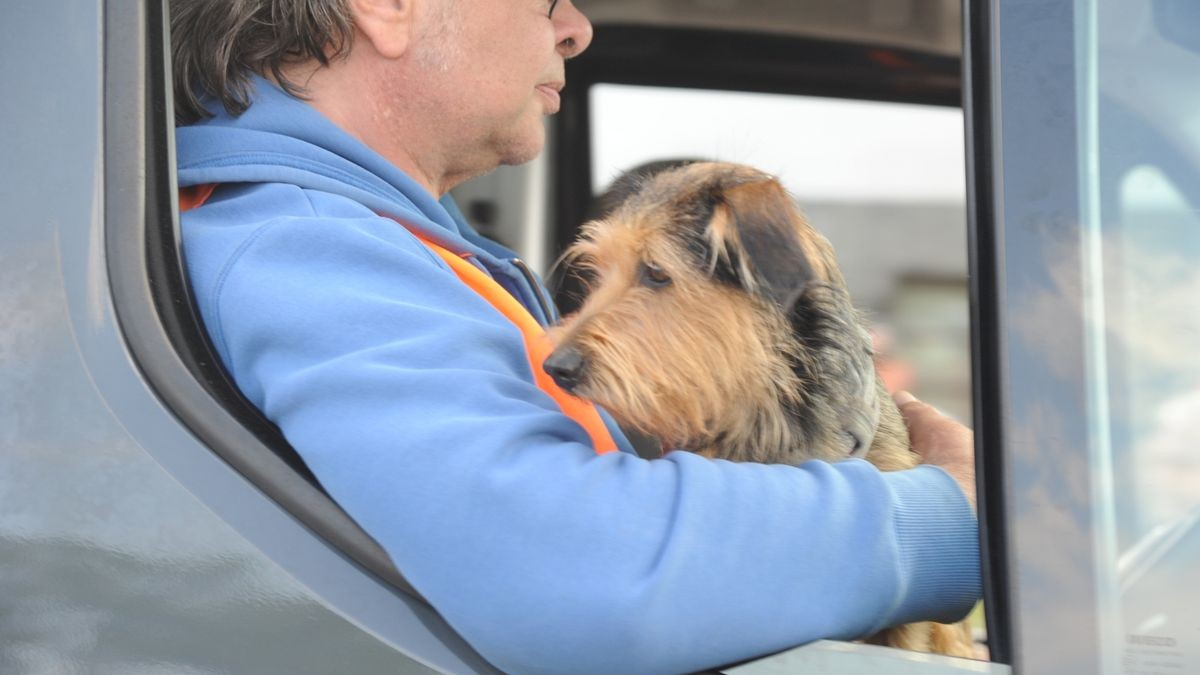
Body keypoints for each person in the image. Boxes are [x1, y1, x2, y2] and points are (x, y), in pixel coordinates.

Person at [170, 0, 981, 672]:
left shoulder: (377, 243)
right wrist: (948, 515)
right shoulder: (304, 246)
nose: (576, 28)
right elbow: (579, 572)